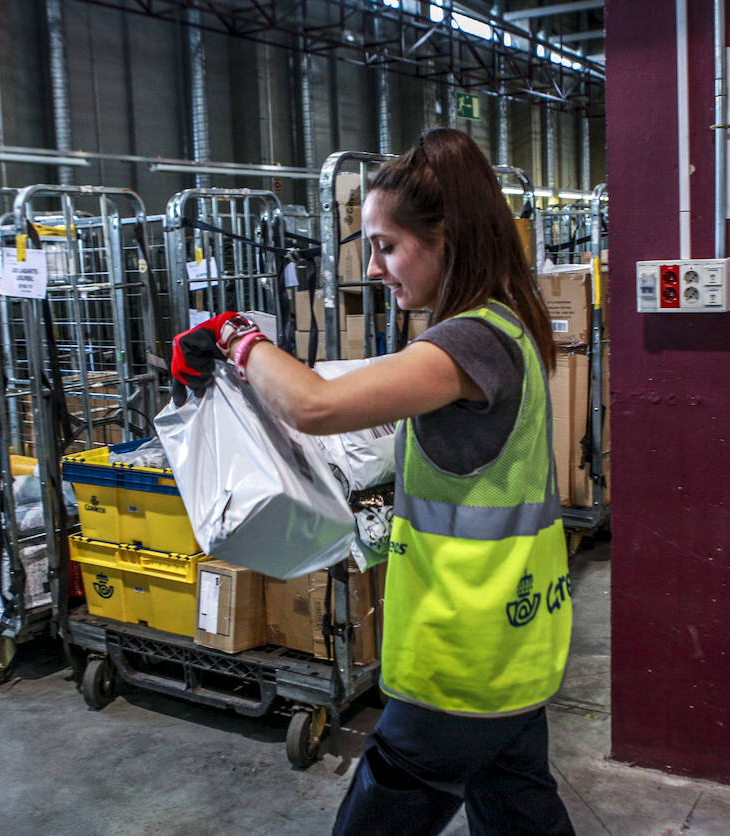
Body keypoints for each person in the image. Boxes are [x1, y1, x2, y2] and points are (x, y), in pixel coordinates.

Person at [170, 128, 576, 836]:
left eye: (388, 246)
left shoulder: (469, 341)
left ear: (446, 236)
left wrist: (238, 336)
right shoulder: (509, 327)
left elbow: (315, 407)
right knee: (519, 812)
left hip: (460, 653)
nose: (379, 269)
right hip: (515, 641)